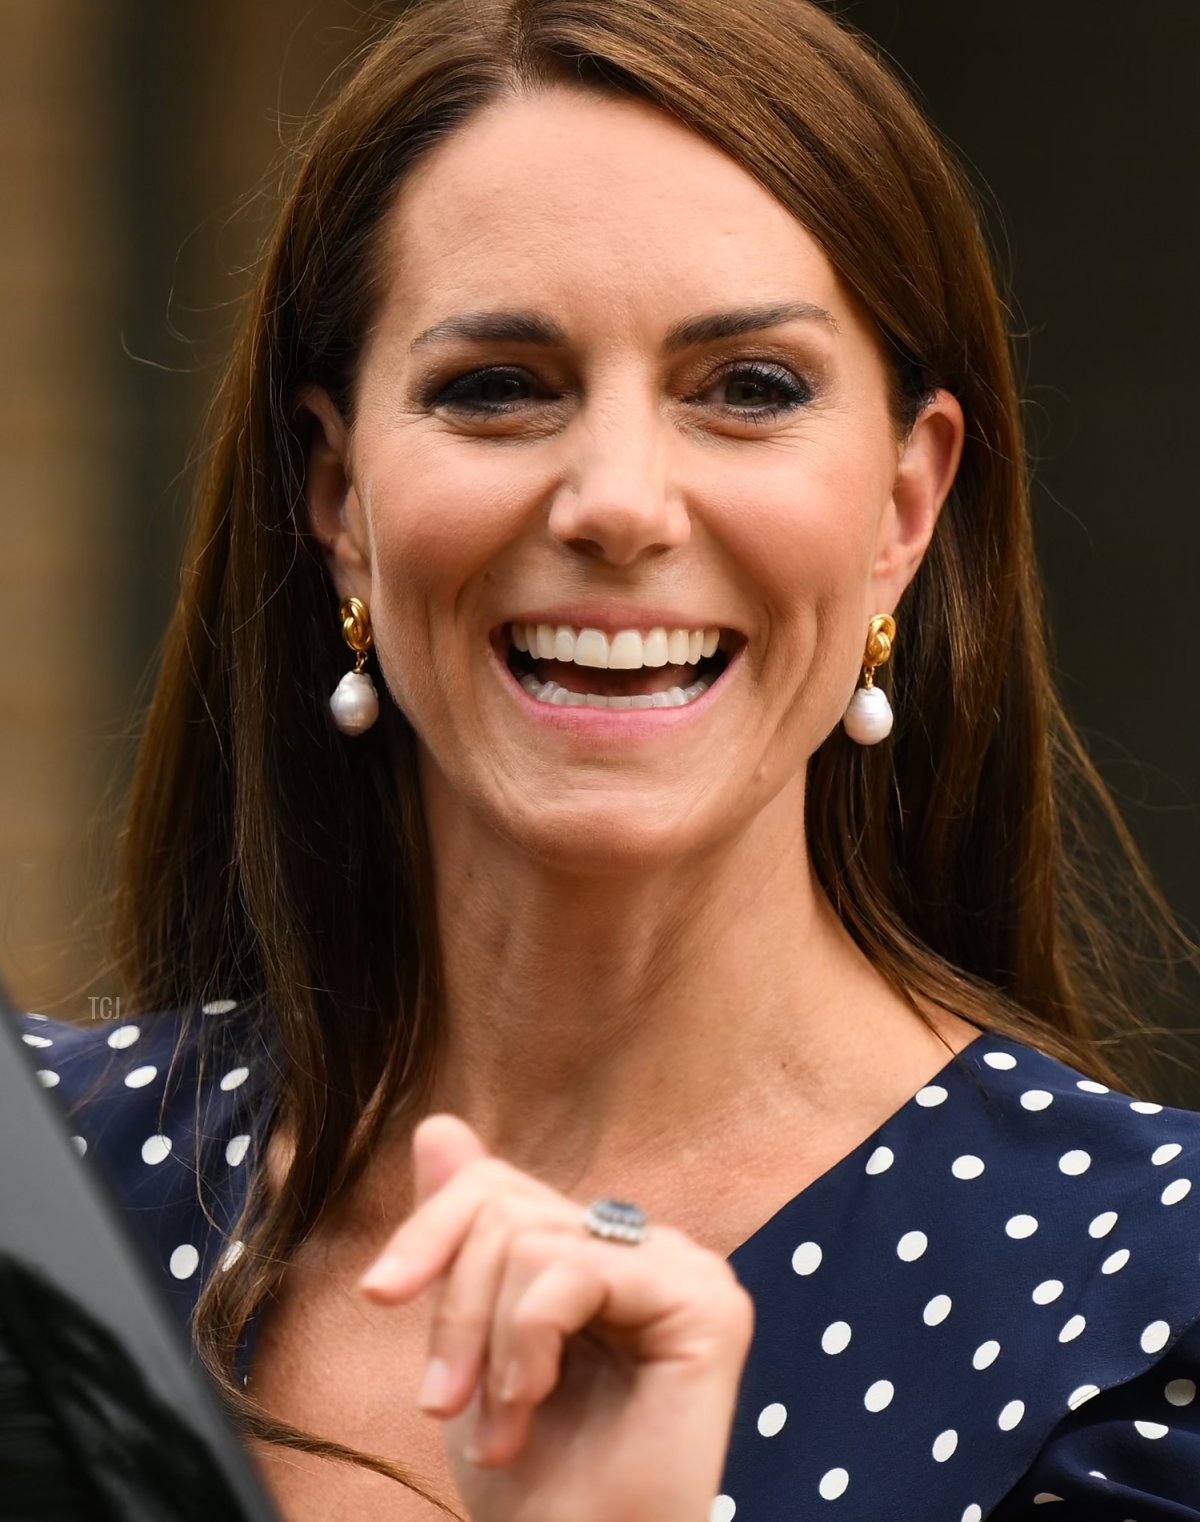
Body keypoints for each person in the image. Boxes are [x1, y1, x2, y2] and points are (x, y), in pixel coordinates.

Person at [8, 0, 1200, 1516]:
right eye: (498, 387)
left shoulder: (1141, 1310)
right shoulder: (38, 1190)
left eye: (749, 388)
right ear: (340, 497)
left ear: (905, 508)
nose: (619, 503)